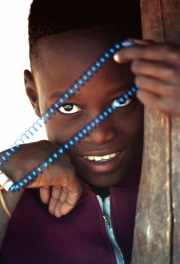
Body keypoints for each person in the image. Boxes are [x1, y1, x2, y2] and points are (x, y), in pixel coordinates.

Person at [0, 0, 180, 263]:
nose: (99, 135)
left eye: (121, 101)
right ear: (34, 97)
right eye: (69, 107)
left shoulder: (174, 173)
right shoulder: (13, 204)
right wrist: (10, 170)